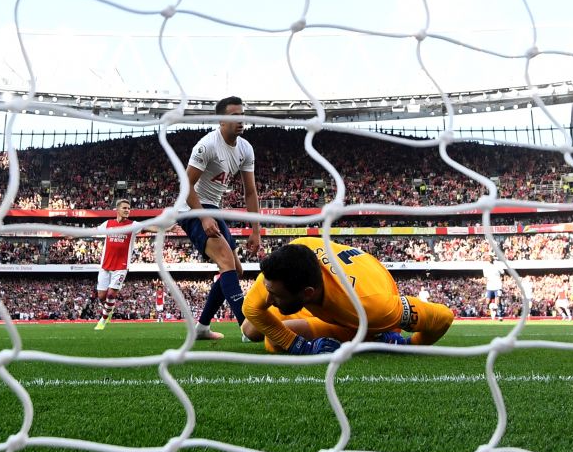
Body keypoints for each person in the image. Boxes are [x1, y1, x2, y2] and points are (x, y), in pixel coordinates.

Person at [240, 238, 455, 354]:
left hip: (366, 305)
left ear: (307, 294)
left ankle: (377, 337)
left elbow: (443, 317)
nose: (269, 299)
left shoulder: (372, 306)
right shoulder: (294, 258)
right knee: (250, 329)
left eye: (275, 295)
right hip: (341, 289)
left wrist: (410, 346)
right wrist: (300, 346)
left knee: (273, 342)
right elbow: (250, 308)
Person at [180, 96, 263, 340]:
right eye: (234, 116)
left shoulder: (246, 148)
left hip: (213, 208)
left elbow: (250, 192)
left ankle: (202, 328)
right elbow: (186, 186)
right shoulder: (207, 145)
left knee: (236, 271)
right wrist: (204, 218)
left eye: (242, 115)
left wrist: (255, 230)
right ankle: (246, 328)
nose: (240, 120)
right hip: (192, 209)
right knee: (227, 262)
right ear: (221, 120)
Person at [94, 200, 134, 331]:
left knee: (111, 294)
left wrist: (168, 228)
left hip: (121, 266)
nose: (127, 210)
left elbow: (150, 227)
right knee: (101, 296)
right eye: (125, 208)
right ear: (117, 210)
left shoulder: (133, 225)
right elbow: (93, 230)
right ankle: (109, 310)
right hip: (105, 265)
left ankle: (103, 320)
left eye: (129, 208)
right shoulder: (108, 224)